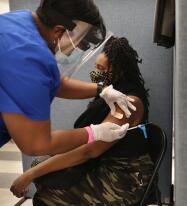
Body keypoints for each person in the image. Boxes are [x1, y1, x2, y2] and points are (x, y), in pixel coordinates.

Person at [10, 36, 154, 206]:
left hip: (125, 178)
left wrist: (29, 176)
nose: (95, 73)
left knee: (46, 200)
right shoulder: (111, 92)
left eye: (101, 69)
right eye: (96, 67)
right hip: (103, 163)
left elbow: (89, 150)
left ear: (119, 72)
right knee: (40, 166)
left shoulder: (126, 103)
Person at [0, 0, 136, 156]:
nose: (75, 51)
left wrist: (101, 89)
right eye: (80, 44)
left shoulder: (20, 20)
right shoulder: (30, 58)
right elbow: (36, 144)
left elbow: (53, 82)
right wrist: (94, 133)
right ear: (59, 32)